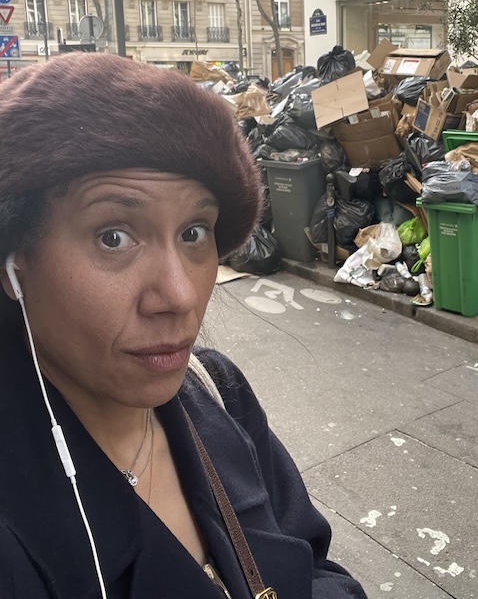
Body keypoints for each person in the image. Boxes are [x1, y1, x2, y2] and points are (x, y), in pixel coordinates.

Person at [0, 53, 366, 599]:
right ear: (14, 263)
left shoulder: (215, 392)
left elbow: (312, 565)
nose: (179, 296)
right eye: (114, 236)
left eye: (196, 232)